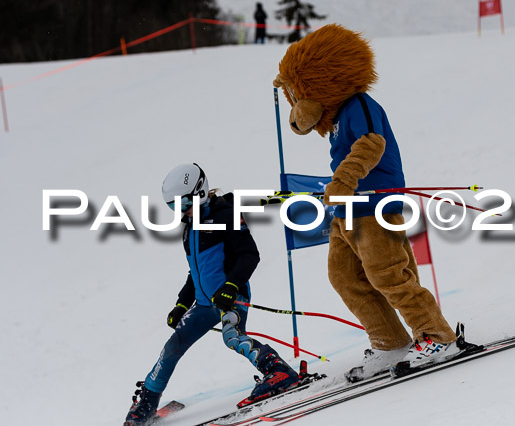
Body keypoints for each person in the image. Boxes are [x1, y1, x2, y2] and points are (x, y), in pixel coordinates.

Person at [273, 24, 462, 382]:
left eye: (300, 94)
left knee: (387, 274)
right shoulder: (338, 117)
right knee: (343, 276)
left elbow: (372, 144)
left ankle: (437, 336)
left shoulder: (360, 105)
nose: (298, 107)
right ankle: (390, 341)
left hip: (375, 206)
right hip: (347, 210)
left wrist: (343, 180)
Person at [124, 163, 299, 425]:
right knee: (173, 346)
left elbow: (249, 255)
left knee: (232, 337)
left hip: (231, 296)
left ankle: (278, 371)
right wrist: (181, 305)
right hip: (205, 304)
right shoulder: (189, 228)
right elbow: (195, 273)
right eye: (173, 206)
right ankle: (148, 402)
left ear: (200, 192)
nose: (180, 212)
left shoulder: (225, 215)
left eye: (183, 204)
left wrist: (230, 288)